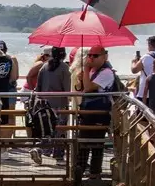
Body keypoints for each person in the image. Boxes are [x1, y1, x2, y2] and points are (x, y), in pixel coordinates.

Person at [71, 47, 119, 179]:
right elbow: (84, 88)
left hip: (99, 113)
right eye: (90, 55)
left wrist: (86, 70)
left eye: (95, 56)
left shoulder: (107, 73)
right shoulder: (94, 71)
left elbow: (88, 88)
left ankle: (94, 173)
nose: (91, 58)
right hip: (88, 112)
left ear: (104, 57)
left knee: (97, 143)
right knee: (83, 143)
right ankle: (79, 170)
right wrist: (83, 76)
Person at [28, 46, 73, 162]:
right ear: (64, 55)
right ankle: (58, 156)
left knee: (47, 129)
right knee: (60, 130)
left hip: (43, 104)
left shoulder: (44, 66)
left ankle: (40, 149)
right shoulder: (64, 68)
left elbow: (38, 87)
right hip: (59, 104)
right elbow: (67, 89)